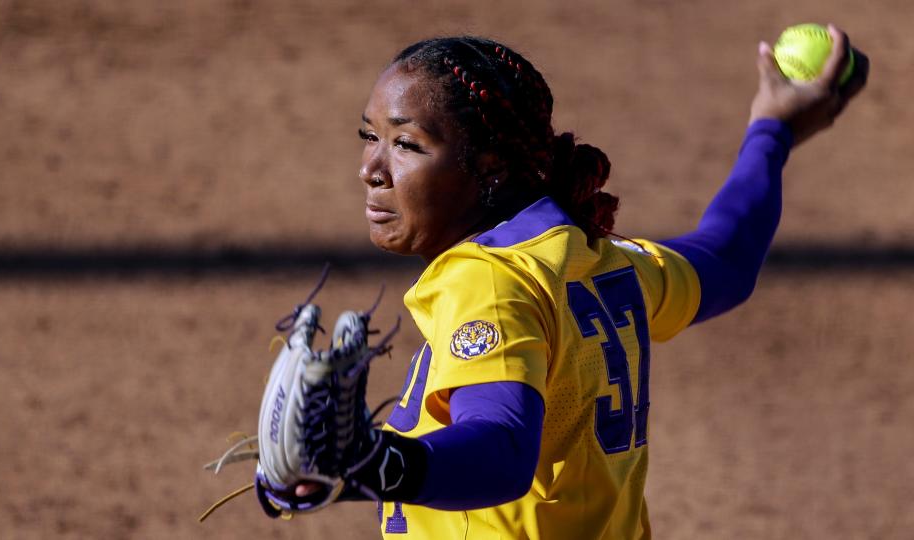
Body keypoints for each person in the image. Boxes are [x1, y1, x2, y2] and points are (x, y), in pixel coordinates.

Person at [298, 27, 867, 539]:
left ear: (490, 163)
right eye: (367, 135)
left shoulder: (488, 279)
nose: (371, 168)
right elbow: (727, 258)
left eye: (406, 144)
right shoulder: (599, 258)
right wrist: (771, 132)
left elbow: (502, 447)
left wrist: (373, 463)